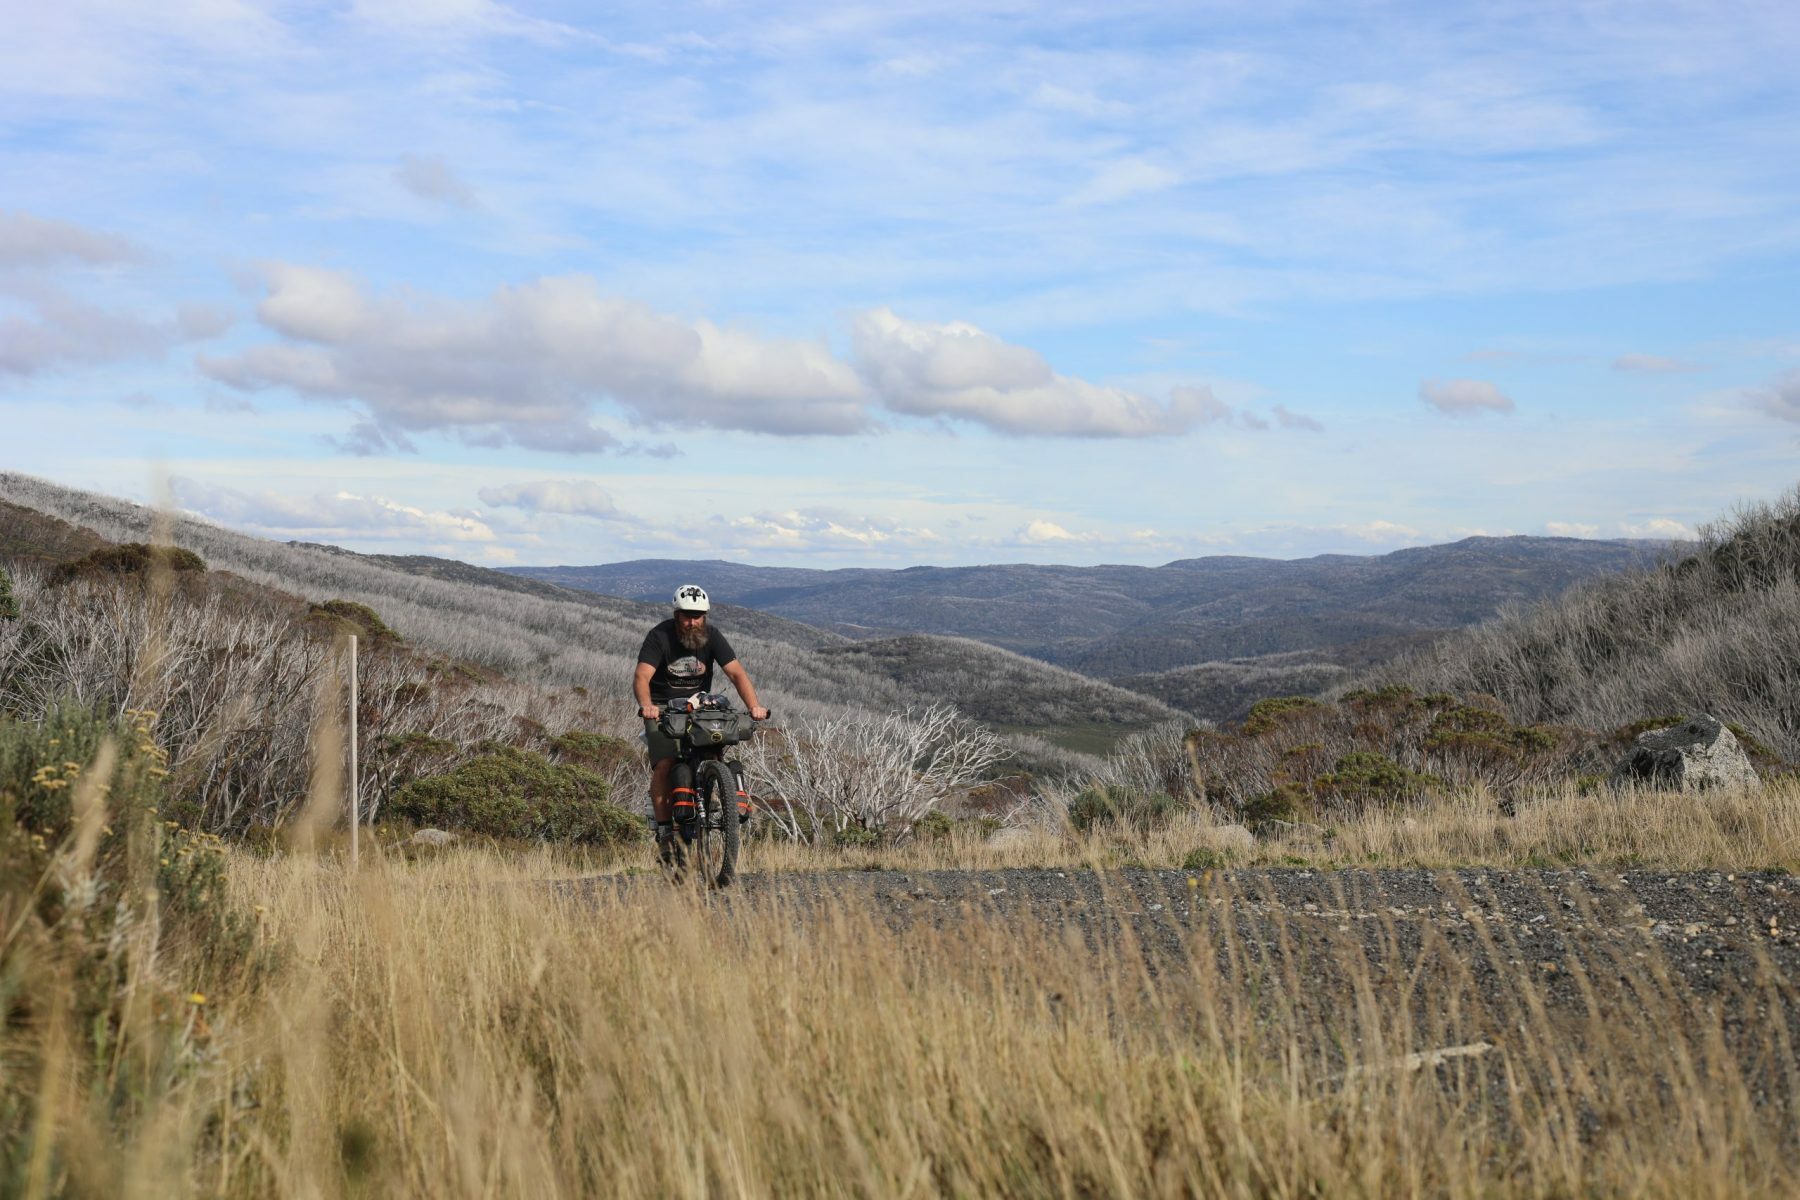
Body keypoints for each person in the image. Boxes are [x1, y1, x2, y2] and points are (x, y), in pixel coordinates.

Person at [634, 584, 770, 863]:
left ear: (704, 616)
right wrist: (647, 706)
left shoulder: (712, 636)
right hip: (662, 708)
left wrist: (753, 706)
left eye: (698, 616)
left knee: (715, 750)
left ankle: (715, 790)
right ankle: (665, 835)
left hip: (700, 706)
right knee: (665, 764)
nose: (692, 621)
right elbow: (641, 677)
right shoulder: (660, 636)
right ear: (676, 614)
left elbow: (736, 673)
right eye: (686, 615)